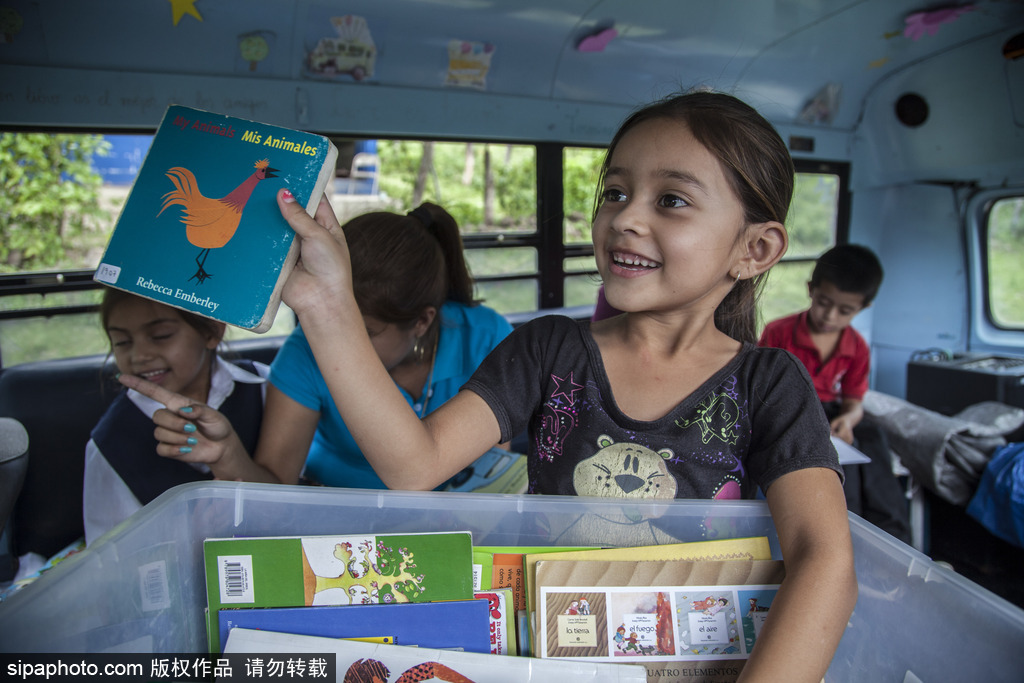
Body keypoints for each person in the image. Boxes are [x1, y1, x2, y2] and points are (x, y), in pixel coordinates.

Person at [124, 90, 857, 681]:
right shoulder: (548, 350)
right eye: (614, 191)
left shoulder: (769, 383)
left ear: (754, 249)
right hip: (554, 656)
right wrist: (325, 304)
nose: (624, 218)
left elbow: (824, 560)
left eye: (671, 200)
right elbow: (413, 465)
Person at [113, 203, 513, 489]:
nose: (341, 342)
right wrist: (227, 455)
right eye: (325, 319)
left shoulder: (485, 337)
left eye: (365, 331)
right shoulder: (304, 352)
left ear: (422, 321)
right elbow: (274, 487)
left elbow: (493, 470)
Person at [83, 289, 268, 545]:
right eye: (122, 342)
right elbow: (110, 554)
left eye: (161, 336)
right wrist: (186, 537)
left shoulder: (267, 387)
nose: (140, 356)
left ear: (212, 331)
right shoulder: (108, 445)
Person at [758, 244, 911, 543]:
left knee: (872, 438)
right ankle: (845, 535)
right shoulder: (779, 333)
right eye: (823, 302)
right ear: (810, 290)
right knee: (835, 461)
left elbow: (854, 403)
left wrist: (848, 421)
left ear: (863, 308)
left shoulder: (857, 347)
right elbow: (763, 392)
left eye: (844, 311)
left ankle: (895, 538)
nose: (829, 316)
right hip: (790, 409)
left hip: (831, 412)